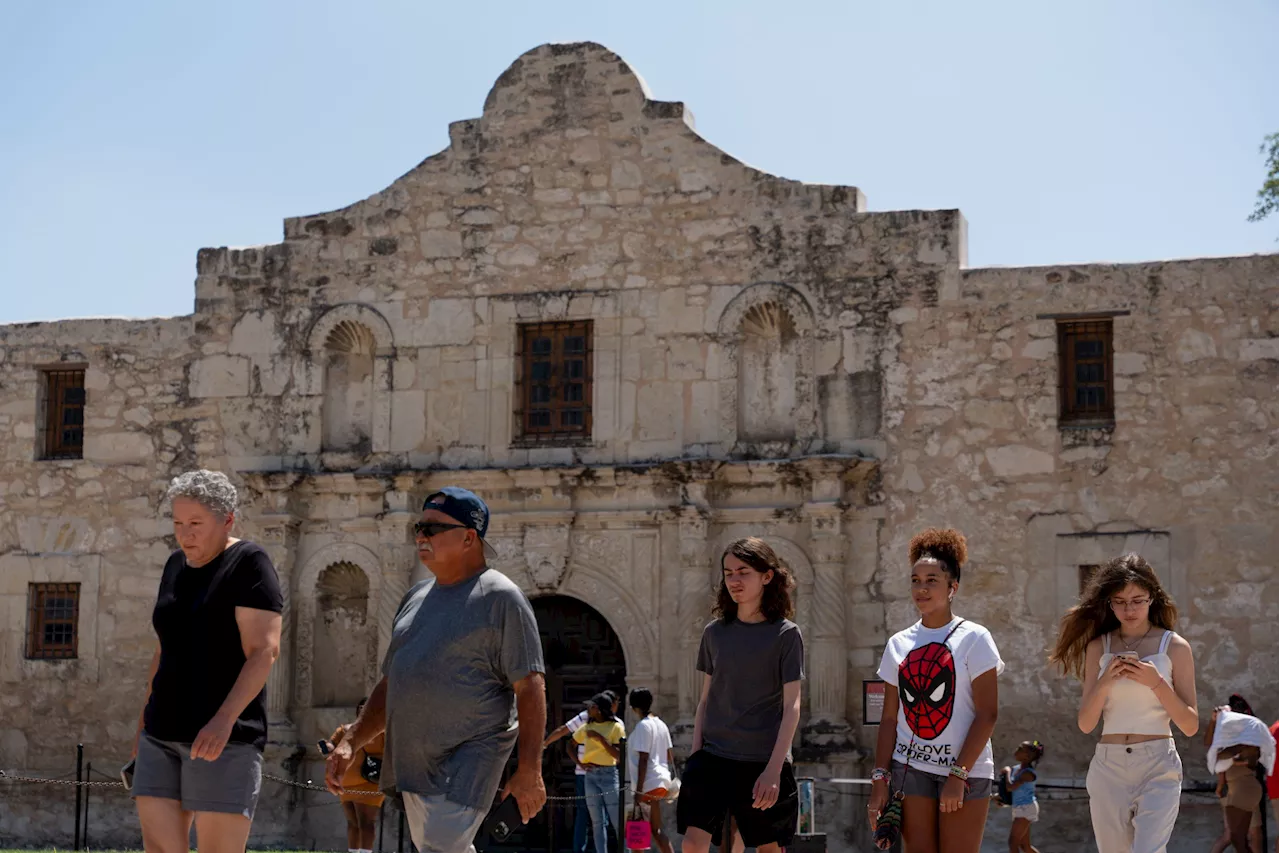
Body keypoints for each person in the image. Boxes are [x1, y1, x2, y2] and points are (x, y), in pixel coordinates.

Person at [324, 486, 547, 853]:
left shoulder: (501, 597)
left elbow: (531, 686)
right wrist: (352, 740)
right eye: (419, 527)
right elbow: (394, 681)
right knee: (438, 847)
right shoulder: (415, 597)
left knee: (441, 843)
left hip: (469, 757)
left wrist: (530, 770)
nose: (421, 536)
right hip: (414, 762)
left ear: (469, 537)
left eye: (433, 528)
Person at [129, 470, 284, 853]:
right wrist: (142, 722)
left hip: (224, 739)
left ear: (227, 519)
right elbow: (165, 649)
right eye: (178, 523)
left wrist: (223, 720)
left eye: (196, 523)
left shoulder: (249, 563)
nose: (186, 534)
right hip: (160, 733)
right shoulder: (174, 567)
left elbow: (264, 651)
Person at [1049, 553, 1199, 853]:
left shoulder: (1175, 647)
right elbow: (1086, 723)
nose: (1129, 609)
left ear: (1152, 598)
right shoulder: (1098, 647)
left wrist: (1156, 682)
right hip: (1109, 764)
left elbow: (1191, 725)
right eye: (1120, 601)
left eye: (1138, 600)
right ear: (1109, 603)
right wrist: (1105, 682)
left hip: (1158, 763)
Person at [868, 527, 1003, 853]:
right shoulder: (897, 644)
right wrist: (879, 780)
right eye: (915, 580)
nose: (922, 588)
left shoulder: (975, 638)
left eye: (932, 580)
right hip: (910, 769)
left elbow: (988, 714)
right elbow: (889, 719)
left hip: (966, 770)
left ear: (952, 587)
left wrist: (958, 776)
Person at [677, 537, 804, 853]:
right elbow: (706, 700)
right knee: (693, 844)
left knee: (768, 849)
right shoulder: (714, 633)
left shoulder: (787, 635)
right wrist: (695, 756)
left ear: (766, 576)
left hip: (761, 761)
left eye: (743, 572)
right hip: (713, 758)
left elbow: (793, 706)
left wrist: (774, 769)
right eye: (728, 572)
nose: (734, 580)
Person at [544, 690, 620, 853]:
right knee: (591, 817)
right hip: (585, 775)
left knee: (610, 818)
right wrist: (544, 744)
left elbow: (619, 753)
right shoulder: (586, 721)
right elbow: (567, 735)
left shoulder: (616, 725)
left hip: (604, 774)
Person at [1206, 708, 1275, 853]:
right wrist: (1213, 721)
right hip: (1238, 790)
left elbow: (1250, 761)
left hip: (1243, 788)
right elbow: (1210, 744)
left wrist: (1232, 758)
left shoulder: (1247, 742)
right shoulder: (1231, 741)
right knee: (1238, 838)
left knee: (1238, 838)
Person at [323, 697, 385, 853]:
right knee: (352, 823)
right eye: (361, 707)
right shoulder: (344, 730)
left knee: (366, 822)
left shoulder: (380, 731)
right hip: (347, 783)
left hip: (369, 783)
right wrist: (326, 747)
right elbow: (332, 745)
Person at [572, 693, 626, 853]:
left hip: (609, 775)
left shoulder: (616, 727)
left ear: (600, 710)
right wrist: (580, 763)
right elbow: (570, 744)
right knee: (597, 822)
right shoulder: (586, 727)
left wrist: (600, 739)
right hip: (590, 776)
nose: (589, 709)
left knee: (617, 821)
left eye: (592, 707)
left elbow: (618, 756)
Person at [627, 687, 676, 853]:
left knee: (637, 832)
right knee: (656, 830)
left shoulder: (643, 726)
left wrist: (638, 791)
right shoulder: (661, 724)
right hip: (661, 782)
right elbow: (670, 756)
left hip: (647, 784)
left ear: (634, 708)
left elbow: (643, 758)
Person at [1000, 740, 1045, 853]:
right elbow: (1013, 792)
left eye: (1020, 749)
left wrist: (1007, 772)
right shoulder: (1016, 769)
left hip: (1026, 808)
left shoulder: (1028, 773)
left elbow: (1011, 787)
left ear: (1027, 756)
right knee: (1025, 846)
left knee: (1012, 842)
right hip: (1019, 808)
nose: (1016, 751)